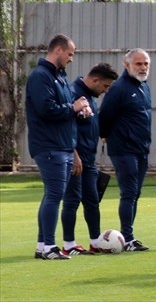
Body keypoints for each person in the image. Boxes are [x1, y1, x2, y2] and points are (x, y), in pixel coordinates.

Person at [27, 35, 91, 260]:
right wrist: (72, 107)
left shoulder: (60, 76)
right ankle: (50, 247)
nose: (71, 59)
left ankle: (42, 244)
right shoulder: (40, 76)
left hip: (63, 145)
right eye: (70, 54)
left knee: (52, 195)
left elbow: (66, 110)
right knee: (54, 195)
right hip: (48, 145)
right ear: (58, 51)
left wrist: (81, 111)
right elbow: (46, 109)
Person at [98, 48, 153, 252]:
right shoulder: (119, 88)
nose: (143, 67)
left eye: (146, 63)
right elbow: (104, 116)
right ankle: (127, 238)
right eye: (138, 64)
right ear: (126, 65)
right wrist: (104, 134)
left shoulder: (144, 87)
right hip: (123, 149)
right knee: (129, 192)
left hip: (141, 149)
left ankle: (129, 236)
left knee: (135, 193)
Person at [61, 62, 118, 255]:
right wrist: (73, 154)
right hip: (75, 157)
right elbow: (66, 127)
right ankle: (69, 245)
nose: (106, 90)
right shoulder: (72, 92)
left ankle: (96, 241)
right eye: (105, 86)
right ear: (95, 80)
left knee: (92, 200)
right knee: (72, 200)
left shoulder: (91, 96)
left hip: (89, 159)